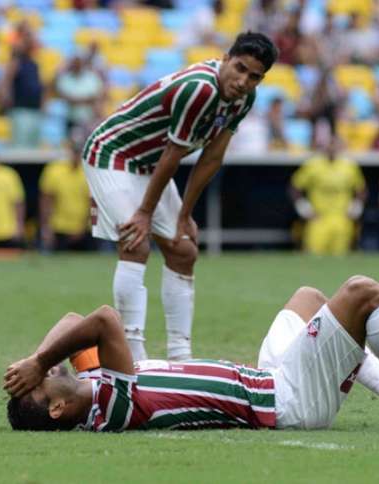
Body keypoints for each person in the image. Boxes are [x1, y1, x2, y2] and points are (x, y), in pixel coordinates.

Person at [3, 274, 379, 431]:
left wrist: (38, 360)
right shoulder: (106, 406)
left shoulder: (91, 380)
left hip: (265, 378)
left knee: (310, 299)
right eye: (45, 382)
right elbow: (101, 319)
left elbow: (72, 325)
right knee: (362, 293)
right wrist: (39, 362)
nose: (48, 371)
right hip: (286, 402)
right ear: (56, 406)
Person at [81, 32, 278, 363]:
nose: (244, 81)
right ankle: (133, 353)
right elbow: (174, 154)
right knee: (136, 240)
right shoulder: (199, 88)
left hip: (148, 164)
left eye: (254, 76)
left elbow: (212, 157)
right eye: (240, 68)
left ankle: (181, 356)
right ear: (226, 58)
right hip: (113, 153)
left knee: (183, 250)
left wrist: (185, 215)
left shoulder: (245, 99)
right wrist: (144, 213)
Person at [290, 138, 366, 256]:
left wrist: (356, 206)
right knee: (313, 256)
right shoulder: (313, 165)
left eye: (335, 146)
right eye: (330, 146)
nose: (332, 149)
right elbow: (295, 187)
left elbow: (361, 189)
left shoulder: (349, 166)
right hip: (318, 218)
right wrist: (303, 207)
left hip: (341, 218)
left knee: (340, 257)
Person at [39, 136, 92, 251]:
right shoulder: (54, 170)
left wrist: (82, 228)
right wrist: (46, 227)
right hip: (59, 227)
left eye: (79, 151)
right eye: (74, 151)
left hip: (84, 229)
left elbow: (92, 203)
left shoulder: (89, 172)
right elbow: (47, 201)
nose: (76, 155)